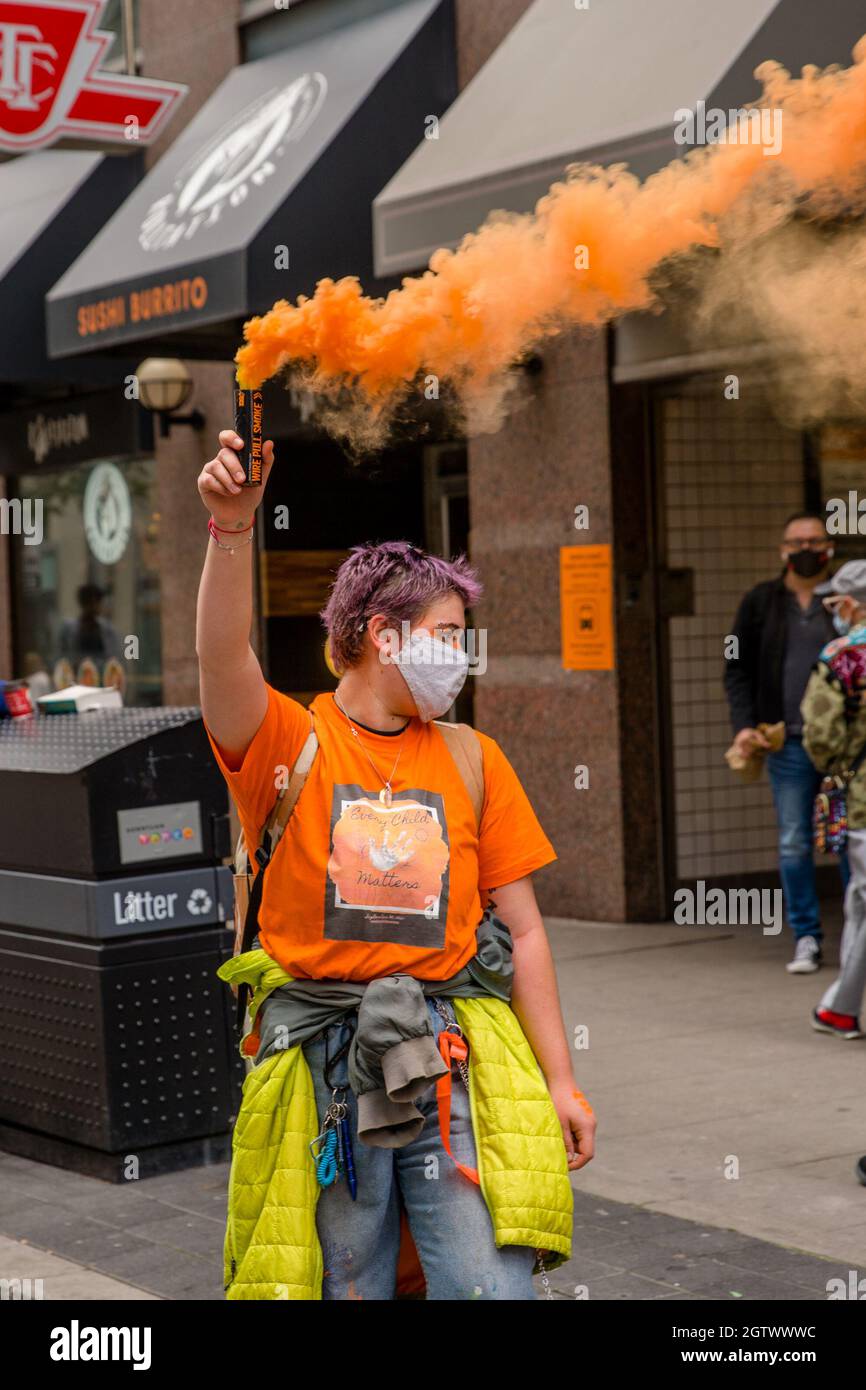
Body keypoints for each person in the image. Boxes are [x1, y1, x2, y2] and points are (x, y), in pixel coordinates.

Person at [195, 427, 594, 1301]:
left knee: (492, 1290)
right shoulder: (289, 745)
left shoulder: (472, 759)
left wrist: (562, 1081)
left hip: (449, 1064)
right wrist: (231, 530)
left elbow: (523, 929)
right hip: (325, 1077)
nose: (460, 654)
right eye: (447, 634)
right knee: (350, 1289)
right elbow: (223, 659)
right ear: (383, 634)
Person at [724, 512, 848, 973]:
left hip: (843, 747)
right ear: (782, 550)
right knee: (795, 840)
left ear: (829, 548)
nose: (805, 548)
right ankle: (807, 938)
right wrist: (744, 724)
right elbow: (735, 666)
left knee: (848, 840)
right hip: (787, 743)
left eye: (814, 540)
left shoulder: (846, 599)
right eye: (797, 541)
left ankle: (855, 934)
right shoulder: (761, 602)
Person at [801, 561, 866, 1039]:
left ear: (852, 604)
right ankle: (840, 1005)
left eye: (834, 602)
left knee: (863, 902)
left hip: (863, 797)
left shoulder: (842, 657)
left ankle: (841, 1007)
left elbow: (820, 735)